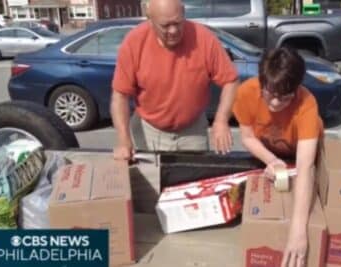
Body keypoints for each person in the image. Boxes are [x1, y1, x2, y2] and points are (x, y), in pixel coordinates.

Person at [111, 0, 239, 160]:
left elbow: (231, 81)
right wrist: (124, 141)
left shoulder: (204, 38)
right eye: (165, 25)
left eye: (178, 23)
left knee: (193, 182)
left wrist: (221, 120)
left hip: (193, 131)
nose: (173, 30)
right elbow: (119, 95)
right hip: (149, 130)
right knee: (149, 183)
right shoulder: (134, 42)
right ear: (150, 19)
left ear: (184, 13)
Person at [232, 47, 323, 267]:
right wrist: (271, 160)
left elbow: (306, 166)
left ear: (297, 89)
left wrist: (298, 231)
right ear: (262, 83)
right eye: (270, 94)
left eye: (284, 98)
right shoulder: (246, 92)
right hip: (270, 154)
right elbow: (247, 137)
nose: (275, 104)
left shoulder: (306, 104)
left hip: (300, 154)